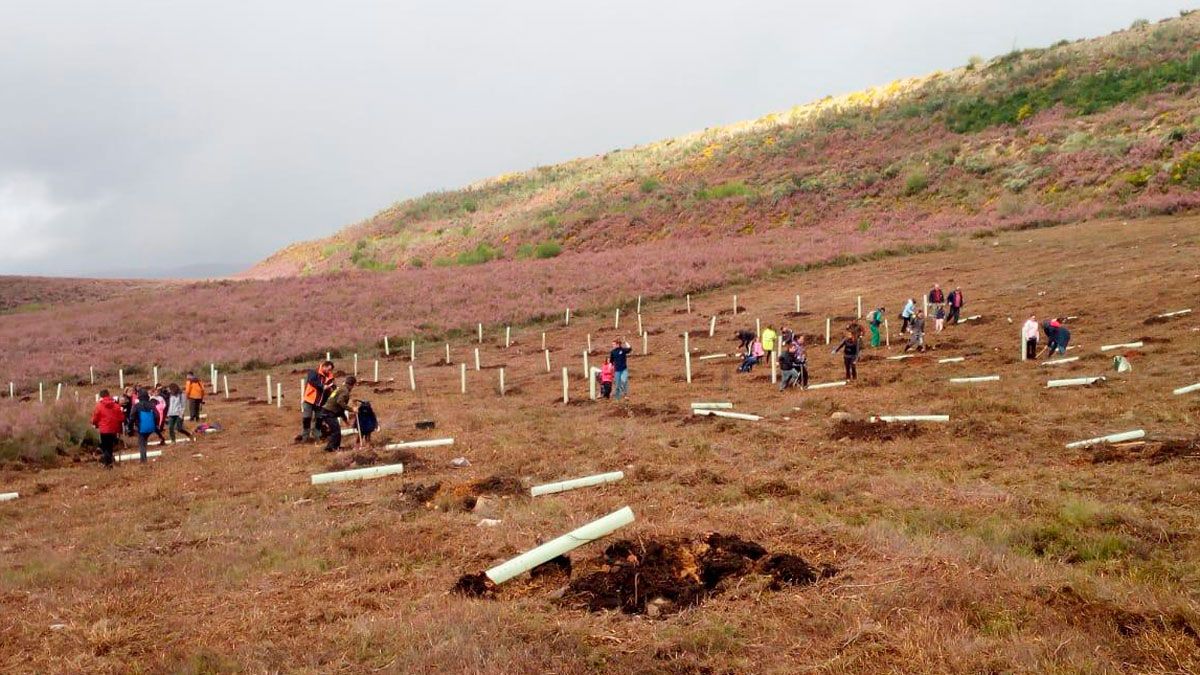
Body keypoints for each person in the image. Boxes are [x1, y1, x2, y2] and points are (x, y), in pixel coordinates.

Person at [299, 360, 335, 443]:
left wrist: (332, 390)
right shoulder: (313, 372)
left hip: (321, 402)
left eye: (330, 370)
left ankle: (317, 436)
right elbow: (311, 381)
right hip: (309, 400)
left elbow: (332, 385)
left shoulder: (330, 376)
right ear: (324, 366)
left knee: (319, 420)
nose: (329, 371)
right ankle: (305, 437)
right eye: (328, 369)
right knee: (307, 418)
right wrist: (323, 386)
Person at [318, 376, 356, 452]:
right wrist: (351, 409)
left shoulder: (341, 388)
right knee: (336, 431)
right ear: (352, 385)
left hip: (326, 411)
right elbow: (340, 402)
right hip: (328, 412)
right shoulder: (345, 391)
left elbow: (340, 409)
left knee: (335, 430)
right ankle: (334, 448)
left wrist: (345, 420)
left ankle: (331, 447)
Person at [91, 389, 125, 468]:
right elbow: (121, 418)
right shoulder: (116, 406)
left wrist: (94, 423)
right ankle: (109, 462)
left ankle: (107, 463)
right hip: (114, 429)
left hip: (104, 429)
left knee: (105, 446)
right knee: (110, 446)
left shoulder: (99, 406)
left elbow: (95, 418)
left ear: (101, 396)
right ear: (109, 395)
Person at [133, 389, 159, 463]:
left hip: (140, 426)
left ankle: (143, 460)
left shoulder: (136, 406)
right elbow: (157, 415)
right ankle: (143, 458)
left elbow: (132, 416)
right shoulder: (152, 405)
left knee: (141, 443)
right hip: (151, 427)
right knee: (144, 441)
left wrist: (131, 425)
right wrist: (156, 424)